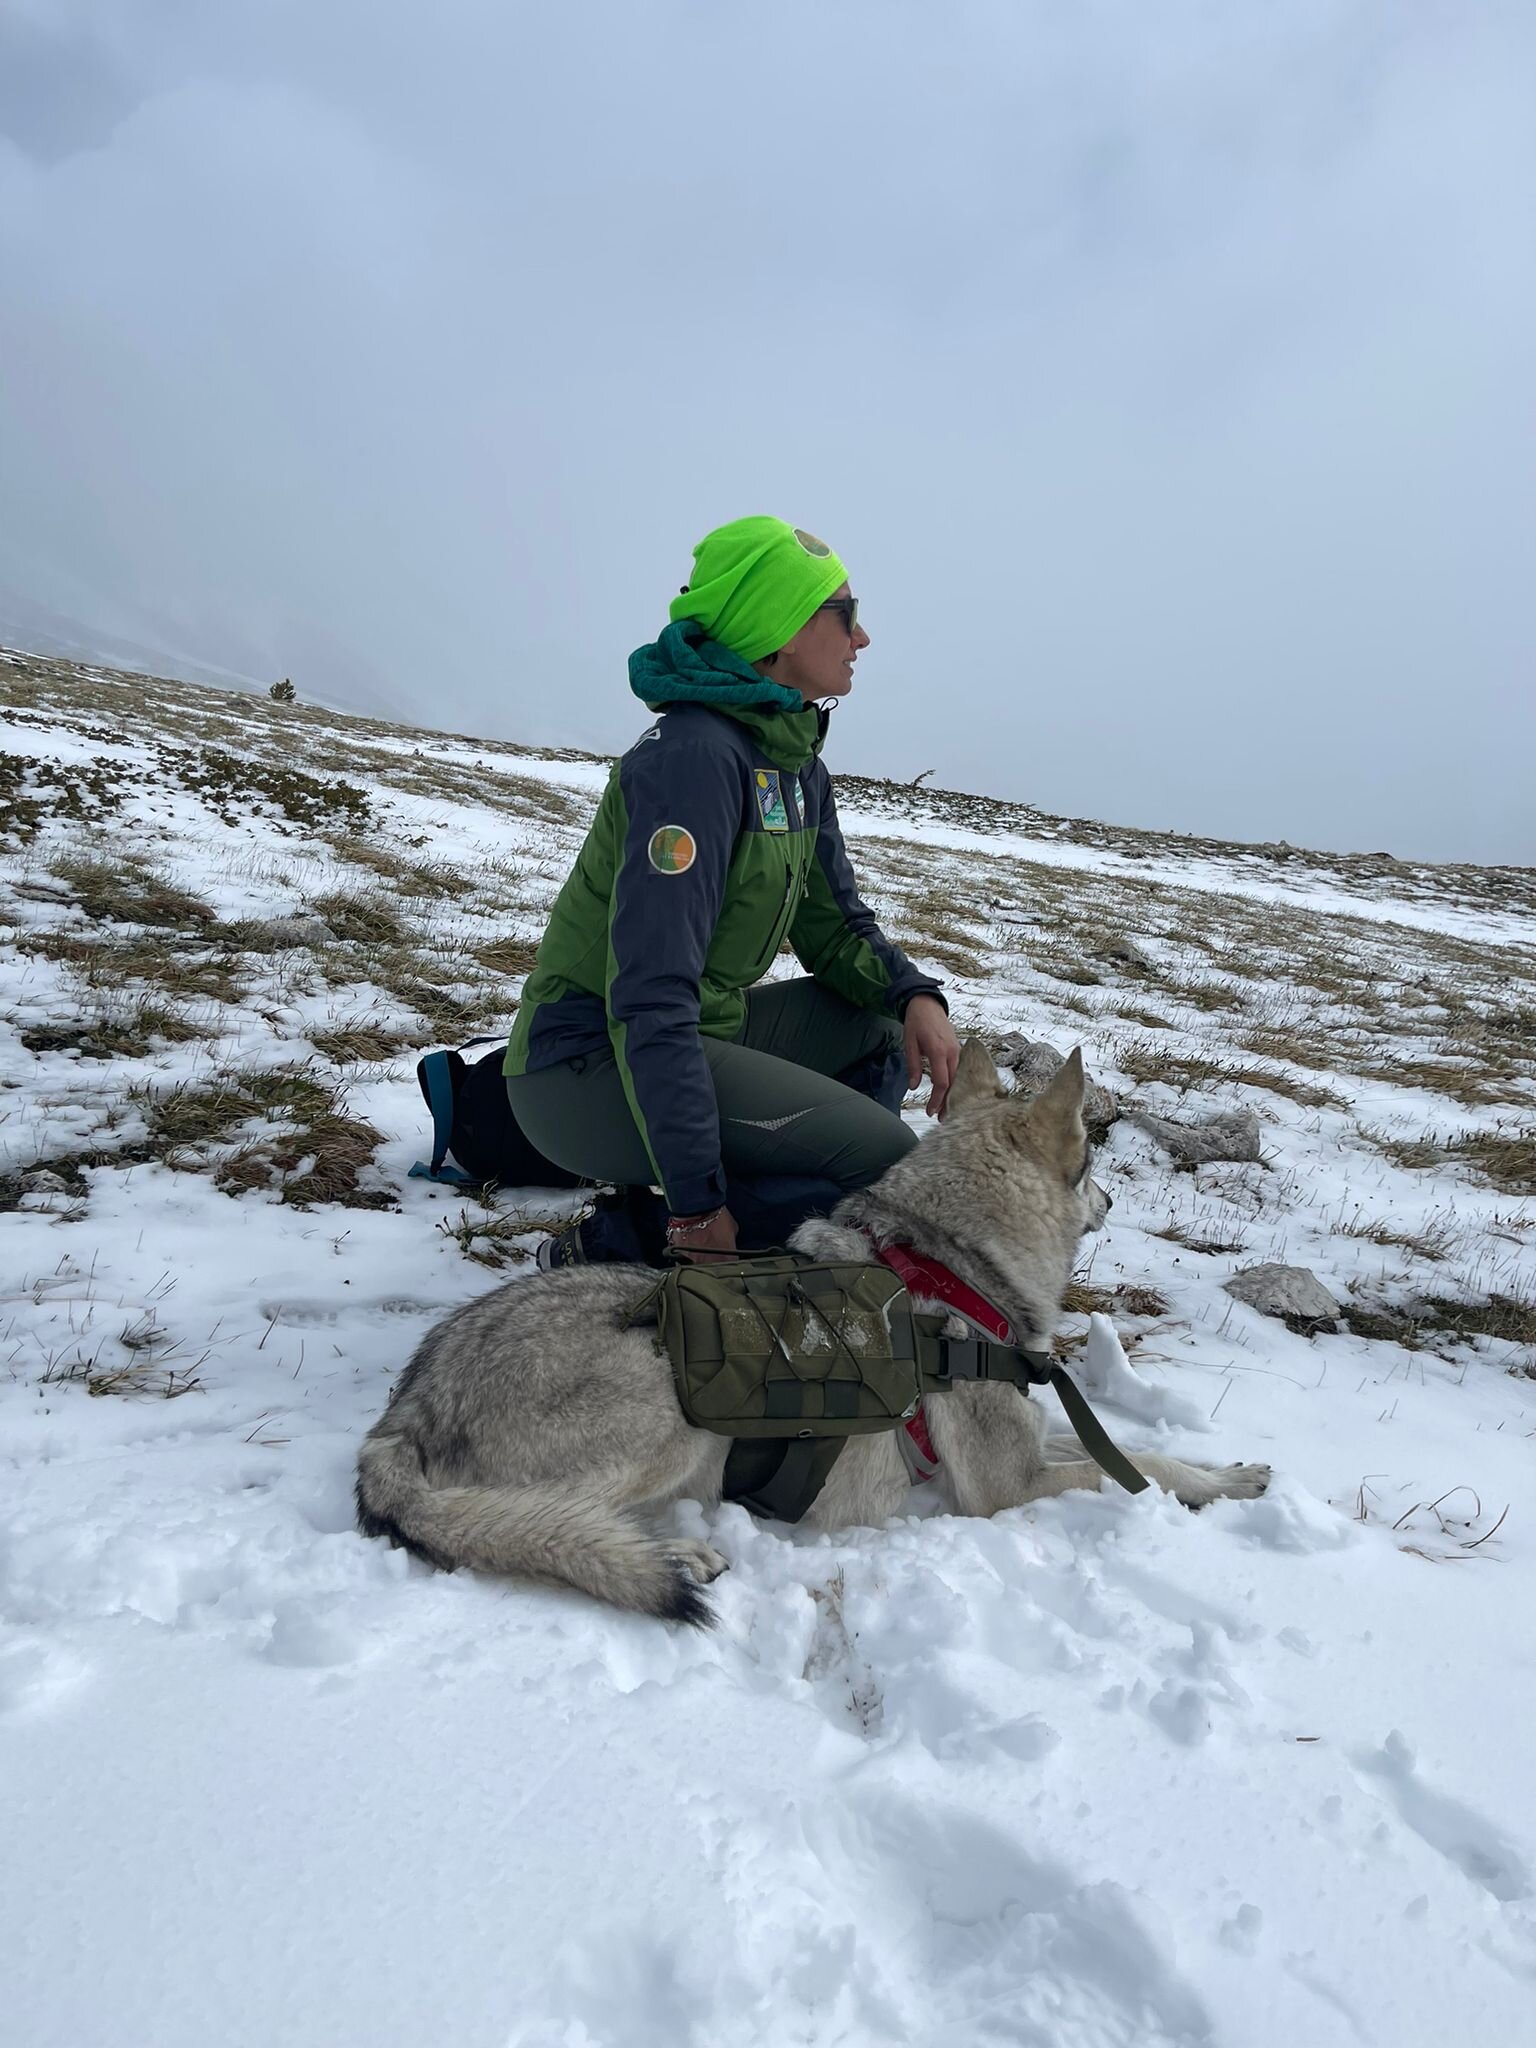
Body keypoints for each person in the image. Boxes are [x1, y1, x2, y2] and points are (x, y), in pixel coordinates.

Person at [504, 515, 961, 1266]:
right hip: (584, 1068)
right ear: (778, 629)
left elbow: (835, 926)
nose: (863, 638)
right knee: (885, 1159)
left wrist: (914, 995)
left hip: (685, 1035)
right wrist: (692, 1202)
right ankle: (629, 1242)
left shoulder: (790, 760)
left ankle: (791, 1211)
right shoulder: (693, 760)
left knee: (879, 1031)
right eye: (844, 615)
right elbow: (649, 997)